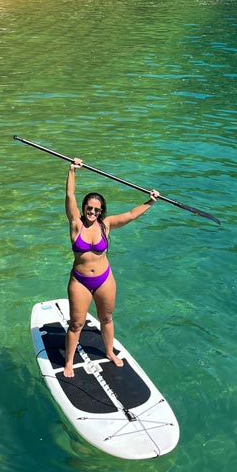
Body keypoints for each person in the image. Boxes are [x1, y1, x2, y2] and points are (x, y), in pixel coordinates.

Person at [64, 157, 159, 378]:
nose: (92, 212)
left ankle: (109, 352)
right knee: (76, 324)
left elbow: (130, 215)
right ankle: (69, 362)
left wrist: (150, 201)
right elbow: (70, 196)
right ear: (84, 207)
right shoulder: (75, 223)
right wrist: (72, 171)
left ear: (101, 211)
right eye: (89, 208)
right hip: (80, 281)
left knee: (106, 318)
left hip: (104, 279)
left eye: (97, 210)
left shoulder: (106, 225)